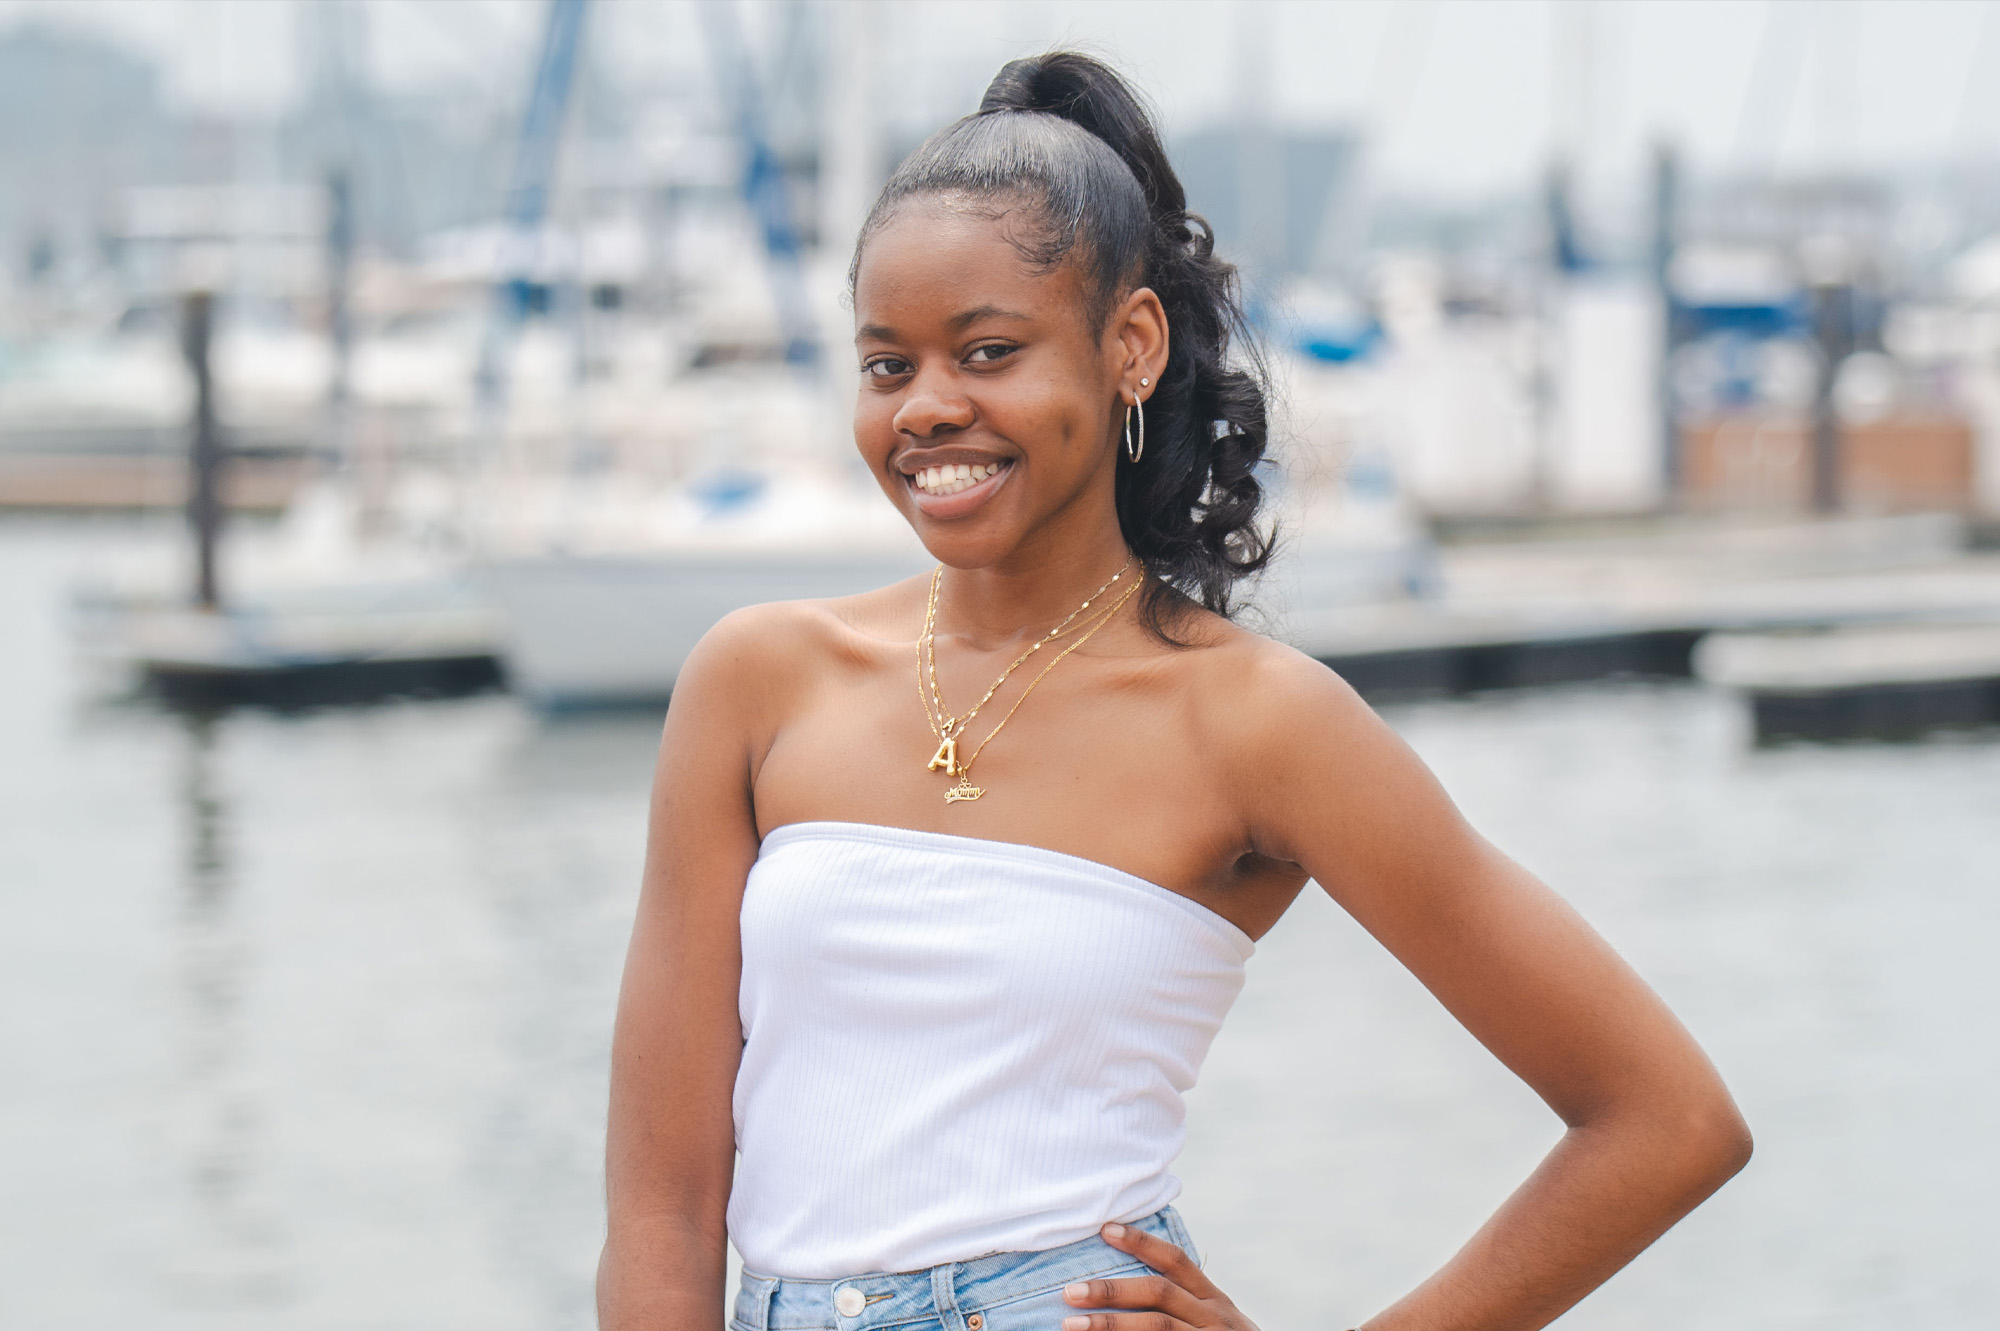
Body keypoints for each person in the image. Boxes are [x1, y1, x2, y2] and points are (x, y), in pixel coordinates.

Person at [599, 51, 1750, 1331]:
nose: (926, 409)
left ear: (1129, 346)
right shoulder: (755, 680)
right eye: (886, 367)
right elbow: (662, 1205)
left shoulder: (1257, 722)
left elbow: (1664, 1119)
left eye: (986, 351)